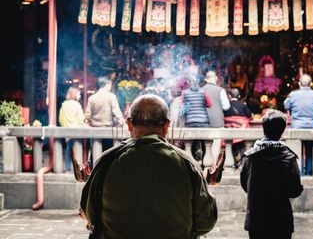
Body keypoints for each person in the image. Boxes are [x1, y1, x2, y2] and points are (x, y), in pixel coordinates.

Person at [80, 94, 218, 238]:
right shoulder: (186, 163)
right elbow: (205, 222)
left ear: (129, 124)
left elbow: (90, 213)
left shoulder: (108, 160)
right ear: (166, 126)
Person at [240, 109, 303, 239]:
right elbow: (295, 190)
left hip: (257, 217)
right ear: (282, 130)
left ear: (264, 128)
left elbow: (245, 184)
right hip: (281, 218)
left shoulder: (250, 157)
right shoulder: (288, 157)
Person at [284, 74, 313, 175]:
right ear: (311, 84)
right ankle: (309, 172)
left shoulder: (293, 94)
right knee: (309, 151)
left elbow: (286, 105)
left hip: (297, 126)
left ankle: (299, 172)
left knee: (297, 152)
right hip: (312, 126)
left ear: (299, 84)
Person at [85, 76, 124, 151]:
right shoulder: (111, 96)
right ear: (107, 84)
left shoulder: (92, 98)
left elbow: (87, 116)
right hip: (107, 131)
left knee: (96, 154)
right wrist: (121, 123)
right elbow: (117, 113)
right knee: (107, 154)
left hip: (95, 131)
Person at [182, 76, 212, 164]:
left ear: (189, 83)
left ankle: (192, 163)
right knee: (205, 143)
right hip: (203, 121)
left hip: (190, 121)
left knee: (190, 144)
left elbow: (183, 107)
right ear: (198, 82)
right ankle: (203, 161)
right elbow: (210, 104)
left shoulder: (185, 93)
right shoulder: (203, 92)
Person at [203, 70, 230, 161]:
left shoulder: (201, 90)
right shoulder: (220, 90)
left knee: (205, 146)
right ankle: (212, 167)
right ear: (216, 78)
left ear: (206, 79)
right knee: (215, 147)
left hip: (204, 122)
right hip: (217, 122)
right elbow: (226, 107)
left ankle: (205, 167)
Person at [59, 87, 87, 172]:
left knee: (68, 150)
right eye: (79, 94)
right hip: (76, 131)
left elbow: (60, 119)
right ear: (74, 95)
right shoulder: (77, 105)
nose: (80, 96)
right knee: (77, 151)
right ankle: (79, 170)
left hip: (67, 132)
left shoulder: (64, 105)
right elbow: (81, 119)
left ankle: (68, 169)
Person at [224, 88, 252, 168]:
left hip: (230, 131)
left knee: (231, 145)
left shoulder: (227, 105)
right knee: (243, 145)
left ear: (229, 96)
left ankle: (233, 163)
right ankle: (242, 163)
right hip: (241, 130)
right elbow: (249, 115)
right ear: (239, 96)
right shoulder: (242, 105)